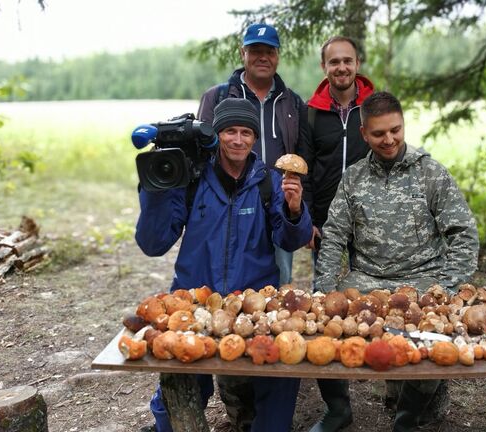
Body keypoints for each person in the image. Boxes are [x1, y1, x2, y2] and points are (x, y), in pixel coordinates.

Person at [135, 98, 313, 432]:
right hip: (194, 299)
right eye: (230, 131)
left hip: (254, 302)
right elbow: (152, 243)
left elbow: (291, 240)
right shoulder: (193, 179)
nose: (238, 139)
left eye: (246, 132)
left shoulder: (267, 182)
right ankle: (168, 427)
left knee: (280, 373)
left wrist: (293, 209)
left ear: (255, 139)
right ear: (217, 135)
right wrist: (156, 190)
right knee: (181, 373)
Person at [314, 91, 480, 431]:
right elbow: (332, 237)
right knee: (319, 331)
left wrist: (446, 287)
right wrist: (323, 290)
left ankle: (407, 417)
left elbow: (464, 233)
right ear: (364, 134)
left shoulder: (430, 173)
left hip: (421, 279)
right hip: (365, 279)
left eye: (396, 130)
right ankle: (337, 410)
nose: (389, 139)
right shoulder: (353, 178)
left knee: (435, 341)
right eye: (378, 133)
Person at [297, 36, 374, 432]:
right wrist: (308, 217)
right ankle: (337, 406)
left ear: (358, 63)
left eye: (348, 61)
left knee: (377, 302)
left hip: (371, 227)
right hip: (326, 225)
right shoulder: (313, 114)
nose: (341, 68)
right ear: (324, 67)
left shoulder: (374, 108)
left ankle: (391, 381)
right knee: (324, 308)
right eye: (334, 62)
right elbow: (305, 169)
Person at [197, 22, 304, 287]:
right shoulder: (218, 96)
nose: (263, 57)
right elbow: (201, 153)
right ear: (242, 53)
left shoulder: (292, 101)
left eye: (269, 50)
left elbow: (302, 158)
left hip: (278, 203)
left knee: (278, 282)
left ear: (278, 55)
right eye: (255, 50)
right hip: (231, 203)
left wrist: (300, 209)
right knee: (223, 276)